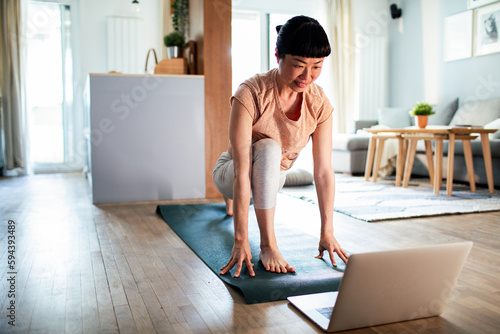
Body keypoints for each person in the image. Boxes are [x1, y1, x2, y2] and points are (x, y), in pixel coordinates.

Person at [212, 15, 348, 278]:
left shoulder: (319, 104)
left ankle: (231, 204)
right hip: (232, 172)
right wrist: (240, 240)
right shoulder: (250, 93)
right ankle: (268, 245)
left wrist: (327, 232)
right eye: (299, 65)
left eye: (317, 67)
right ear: (277, 55)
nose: (307, 76)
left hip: (273, 177)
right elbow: (241, 171)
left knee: (272, 158)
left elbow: (322, 172)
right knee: (268, 148)